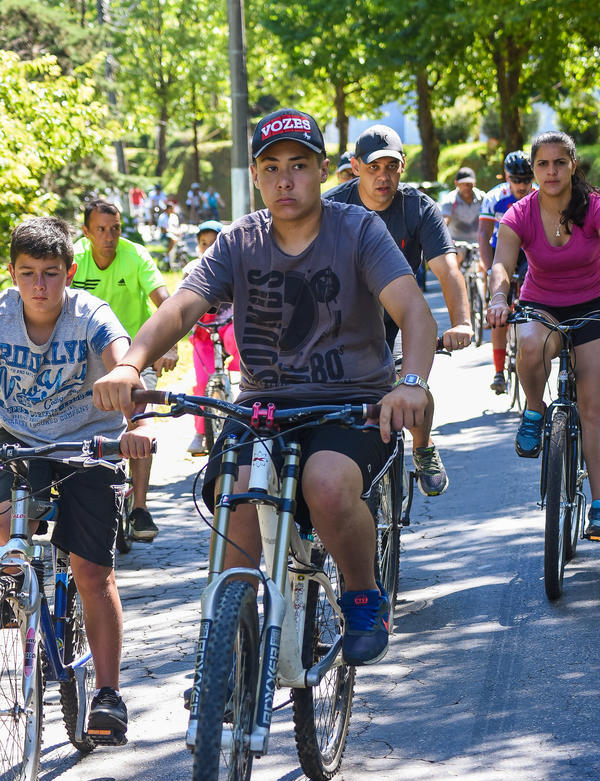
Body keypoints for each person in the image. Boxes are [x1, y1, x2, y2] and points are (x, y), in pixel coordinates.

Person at [93, 107, 438, 667]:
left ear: (325, 171)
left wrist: (413, 383)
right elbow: (181, 308)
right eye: (271, 167)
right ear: (255, 175)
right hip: (263, 408)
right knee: (237, 499)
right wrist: (131, 364)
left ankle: (362, 592)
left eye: (299, 166)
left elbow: (415, 314)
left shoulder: (359, 230)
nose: (285, 179)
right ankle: (225, 655)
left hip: (351, 406)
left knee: (326, 486)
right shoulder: (239, 240)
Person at [0, 217, 154, 742]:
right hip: (18, 443)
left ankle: (108, 694)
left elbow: (122, 365)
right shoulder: (0, 315)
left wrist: (133, 415)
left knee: (91, 571)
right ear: (13, 273)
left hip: (89, 445)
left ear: (70, 272)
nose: (39, 287)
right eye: (27, 274)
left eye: (50, 274)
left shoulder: (91, 314)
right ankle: (14, 600)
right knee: (2, 534)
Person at [327, 123, 473, 497]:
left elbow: (446, 268)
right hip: (346, 319)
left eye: (391, 167)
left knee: (411, 383)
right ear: (356, 166)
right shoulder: (334, 206)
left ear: (402, 166)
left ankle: (423, 448)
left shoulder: (417, 207)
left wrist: (462, 322)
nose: (383, 176)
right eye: (374, 167)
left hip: (399, 318)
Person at [487, 131, 600, 540]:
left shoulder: (594, 207)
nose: (551, 171)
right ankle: (534, 409)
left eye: (560, 163)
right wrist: (500, 297)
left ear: (573, 166)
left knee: (592, 406)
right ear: (532, 170)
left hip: (593, 306)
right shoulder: (520, 213)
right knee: (530, 344)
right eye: (543, 164)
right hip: (543, 305)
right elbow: (502, 263)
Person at [72, 200, 178, 541]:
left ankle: (140, 508)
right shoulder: (74, 259)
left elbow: (165, 301)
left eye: (115, 229)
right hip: (84, 361)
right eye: (101, 230)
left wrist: (170, 344)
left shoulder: (136, 256)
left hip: (135, 356)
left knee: (139, 420)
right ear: (86, 232)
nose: (109, 237)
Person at [479, 151, 537, 394]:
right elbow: (483, 234)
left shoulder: (539, 194)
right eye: (517, 180)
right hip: (500, 249)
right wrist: (489, 267)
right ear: (507, 177)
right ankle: (499, 371)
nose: (522, 186)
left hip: (528, 251)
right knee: (499, 314)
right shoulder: (494, 197)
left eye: (527, 179)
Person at [182, 220, 240, 455]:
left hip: (228, 323)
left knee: (237, 339)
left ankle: (243, 384)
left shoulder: (235, 266)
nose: (209, 247)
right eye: (204, 244)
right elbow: (182, 301)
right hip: (203, 330)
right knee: (202, 382)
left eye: (214, 242)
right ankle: (200, 432)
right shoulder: (192, 269)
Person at [441, 167, 486, 262]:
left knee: (485, 264)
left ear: (475, 183)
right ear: (456, 183)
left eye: (470, 184)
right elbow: (444, 222)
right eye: (464, 184)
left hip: (478, 242)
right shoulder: (450, 200)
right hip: (457, 242)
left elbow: (490, 218)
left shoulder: (482, 198)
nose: (467, 187)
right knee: (455, 260)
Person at [157, 200, 180, 270]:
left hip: (174, 235)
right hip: (164, 236)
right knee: (172, 239)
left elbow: (176, 227)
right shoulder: (162, 217)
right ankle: (167, 254)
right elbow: (162, 230)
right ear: (167, 209)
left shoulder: (174, 217)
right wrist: (171, 231)